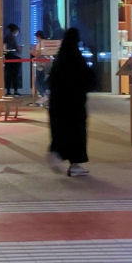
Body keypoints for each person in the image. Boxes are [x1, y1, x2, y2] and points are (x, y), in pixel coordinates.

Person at [46, 26, 93, 176]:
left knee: (61, 131)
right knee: (76, 134)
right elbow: (86, 78)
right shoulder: (76, 57)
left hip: (58, 103)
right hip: (75, 104)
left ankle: (57, 153)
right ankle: (75, 164)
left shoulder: (60, 57)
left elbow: (52, 80)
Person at [3, 22, 24, 96]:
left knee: (8, 75)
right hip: (14, 58)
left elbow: (5, 47)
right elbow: (16, 48)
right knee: (15, 75)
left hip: (8, 57)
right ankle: (15, 90)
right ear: (15, 30)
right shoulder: (12, 37)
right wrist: (20, 49)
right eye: (18, 31)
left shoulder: (6, 36)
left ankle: (8, 90)